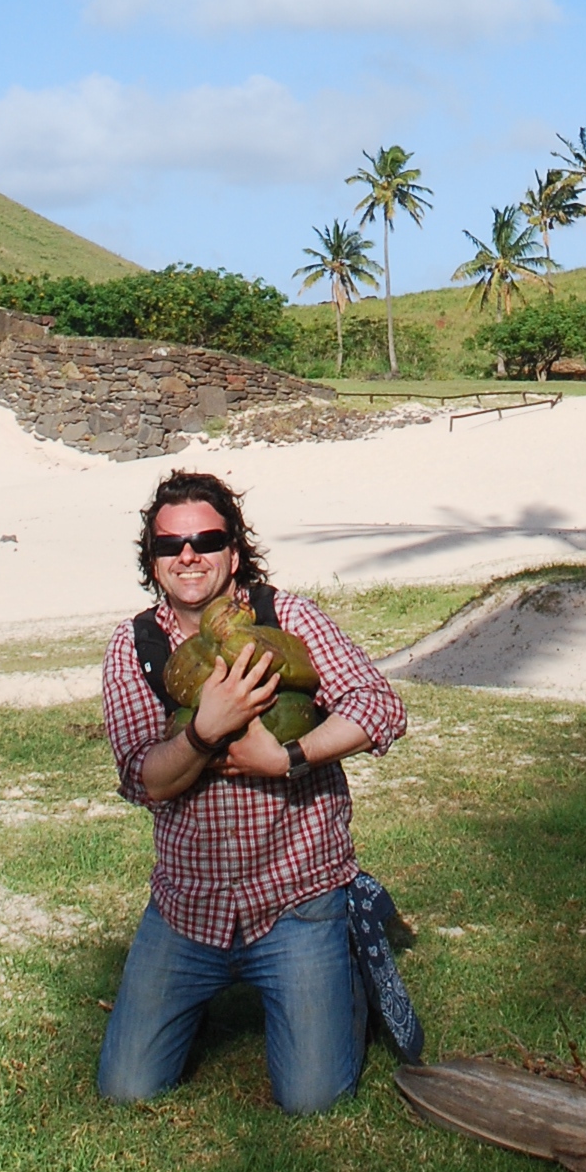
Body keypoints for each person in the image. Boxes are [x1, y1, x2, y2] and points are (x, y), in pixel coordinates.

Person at [96, 467, 407, 1112]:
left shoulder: (285, 617)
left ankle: (346, 956)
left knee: (313, 1101)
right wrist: (203, 733)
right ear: (152, 561)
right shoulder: (136, 647)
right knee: (126, 1089)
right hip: (189, 909)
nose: (188, 555)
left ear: (233, 553)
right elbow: (142, 777)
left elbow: (379, 706)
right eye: (170, 544)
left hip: (298, 901)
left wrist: (286, 757)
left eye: (206, 540)